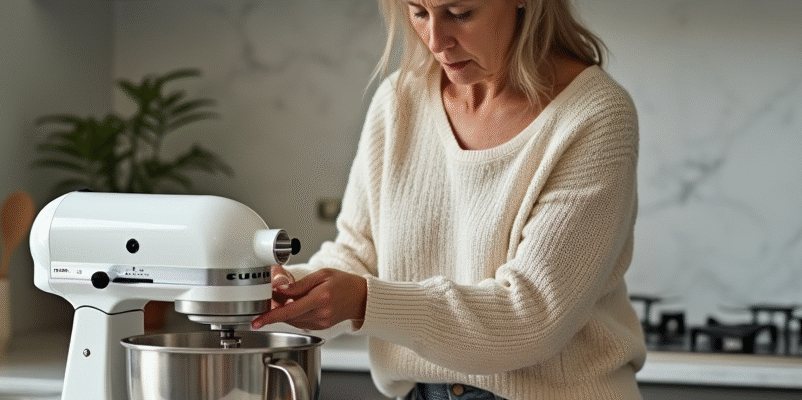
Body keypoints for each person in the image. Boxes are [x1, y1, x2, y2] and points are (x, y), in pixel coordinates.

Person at [251, 0, 645, 398]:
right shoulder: (399, 101)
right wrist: (274, 292)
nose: (437, 42)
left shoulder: (595, 115)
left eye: (459, 13)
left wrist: (363, 300)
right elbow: (357, 256)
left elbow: (533, 318)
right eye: (419, 12)